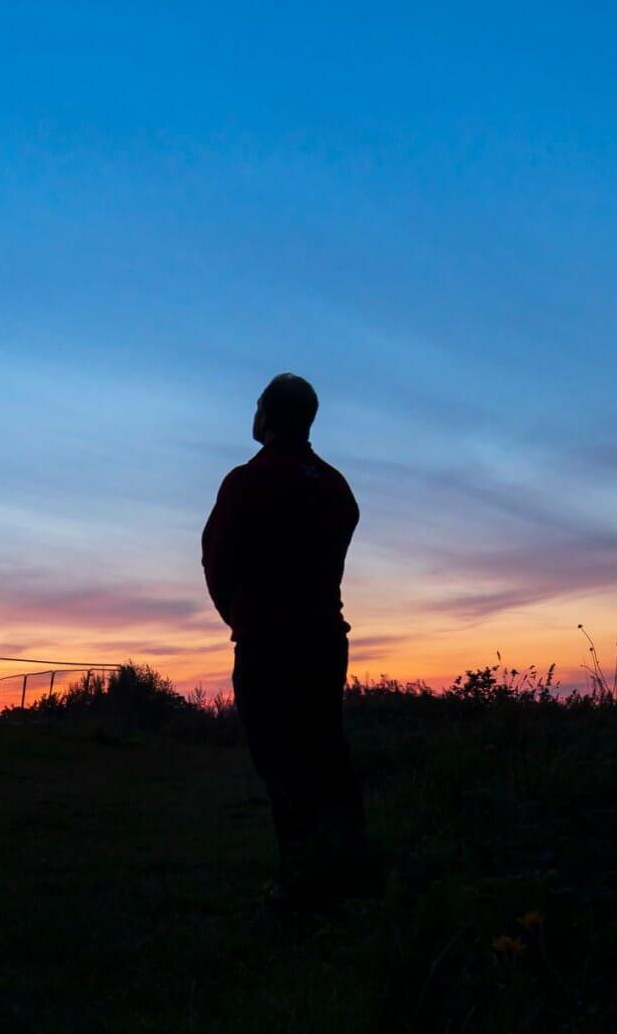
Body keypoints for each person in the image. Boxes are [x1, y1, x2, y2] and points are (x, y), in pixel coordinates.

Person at [201, 372, 368, 906]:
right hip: (324, 641)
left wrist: (241, 617)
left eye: (257, 407)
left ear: (269, 416)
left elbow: (216, 559)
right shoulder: (337, 486)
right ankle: (348, 872)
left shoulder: (247, 481)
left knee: (279, 759)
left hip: (269, 644)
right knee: (327, 754)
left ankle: (301, 881)